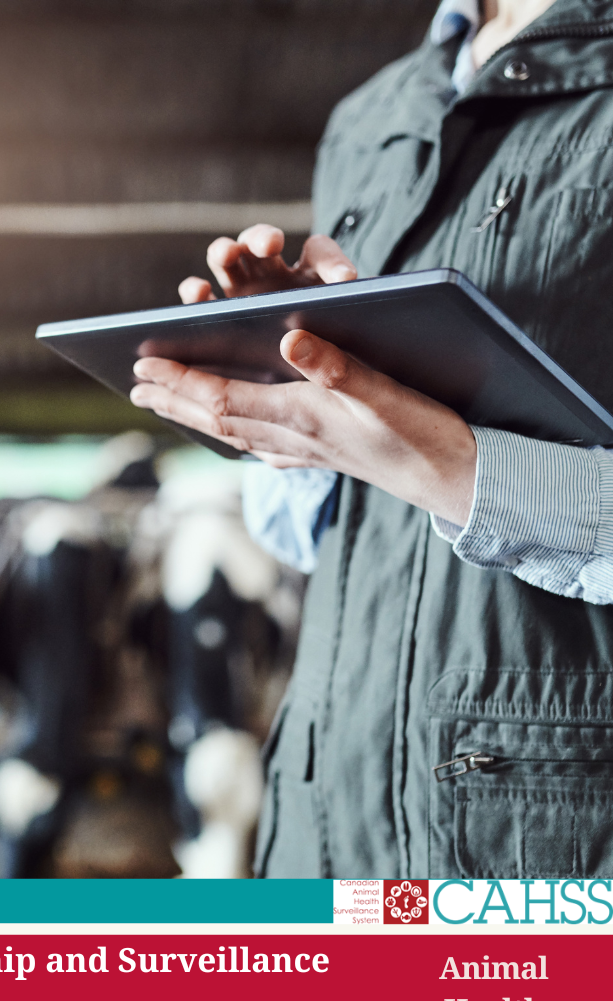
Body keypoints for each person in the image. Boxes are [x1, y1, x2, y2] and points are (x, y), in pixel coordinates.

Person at [130, 0, 613, 878]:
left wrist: (461, 472)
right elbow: (305, 538)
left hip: (552, 843)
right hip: (322, 818)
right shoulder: (372, 117)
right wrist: (295, 390)